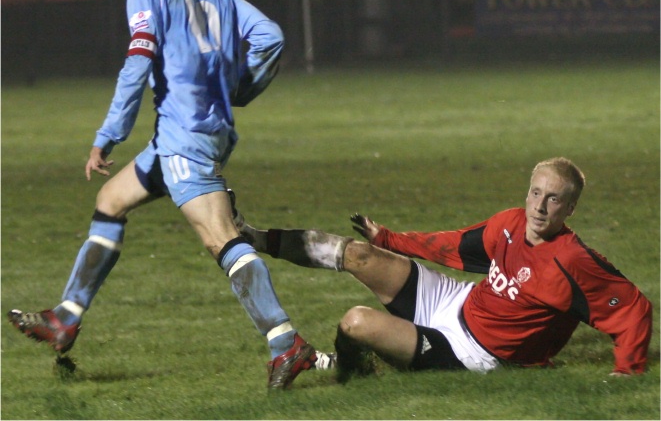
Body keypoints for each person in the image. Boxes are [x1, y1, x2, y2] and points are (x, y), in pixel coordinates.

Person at [7, 0, 317, 390]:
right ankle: (65, 317)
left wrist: (108, 136)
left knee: (221, 238)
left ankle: (287, 344)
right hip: (198, 131)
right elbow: (272, 38)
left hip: (184, 139)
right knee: (111, 200)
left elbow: (137, 64)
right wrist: (240, 88)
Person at [234, 157, 653, 377]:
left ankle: (346, 370)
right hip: (456, 301)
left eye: (554, 199)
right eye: (536, 193)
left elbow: (634, 310)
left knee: (355, 323)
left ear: (571, 208)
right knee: (357, 254)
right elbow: (451, 244)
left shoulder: (571, 261)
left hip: (473, 352)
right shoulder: (509, 223)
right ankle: (253, 237)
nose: (540, 207)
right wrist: (387, 240)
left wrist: (627, 370)